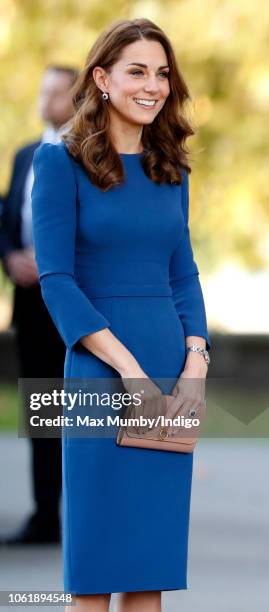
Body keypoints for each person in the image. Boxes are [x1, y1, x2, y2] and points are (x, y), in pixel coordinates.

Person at [31, 18, 211, 612]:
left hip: (169, 370)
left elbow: (182, 274)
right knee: (96, 565)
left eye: (162, 74)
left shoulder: (172, 170)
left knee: (148, 566)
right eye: (137, 71)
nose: (153, 85)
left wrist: (195, 360)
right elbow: (56, 281)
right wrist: (129, 370)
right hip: (99, 373)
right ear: (102, 79)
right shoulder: (59, 163)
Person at [0, 65, 78, 545]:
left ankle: (92, 514)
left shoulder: (94, 153)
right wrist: (10, 257)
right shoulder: (26, 153)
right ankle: (45, 514)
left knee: (87, 411)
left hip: (76, 300)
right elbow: (8, 216)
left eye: (55, 91)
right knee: (42, 407)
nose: (44, 99)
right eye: (42, 89)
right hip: (31, 303)